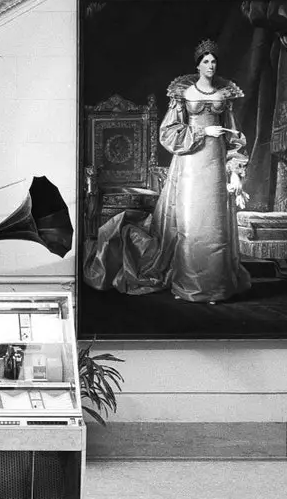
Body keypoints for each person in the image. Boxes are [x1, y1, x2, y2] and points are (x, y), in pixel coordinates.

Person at [84, 41, 251, 306]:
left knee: (215, 221)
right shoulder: (182, 93)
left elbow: (235, 136)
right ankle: (188, 284)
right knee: (191, 220)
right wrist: (201, 131)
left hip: (216, 161)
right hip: (191, 161)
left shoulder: (225, 94)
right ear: (197, 65)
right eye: (206, 61)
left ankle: (216, 287)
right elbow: (168, 132)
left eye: (214, 61)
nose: (211, 65)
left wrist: (235, 172)